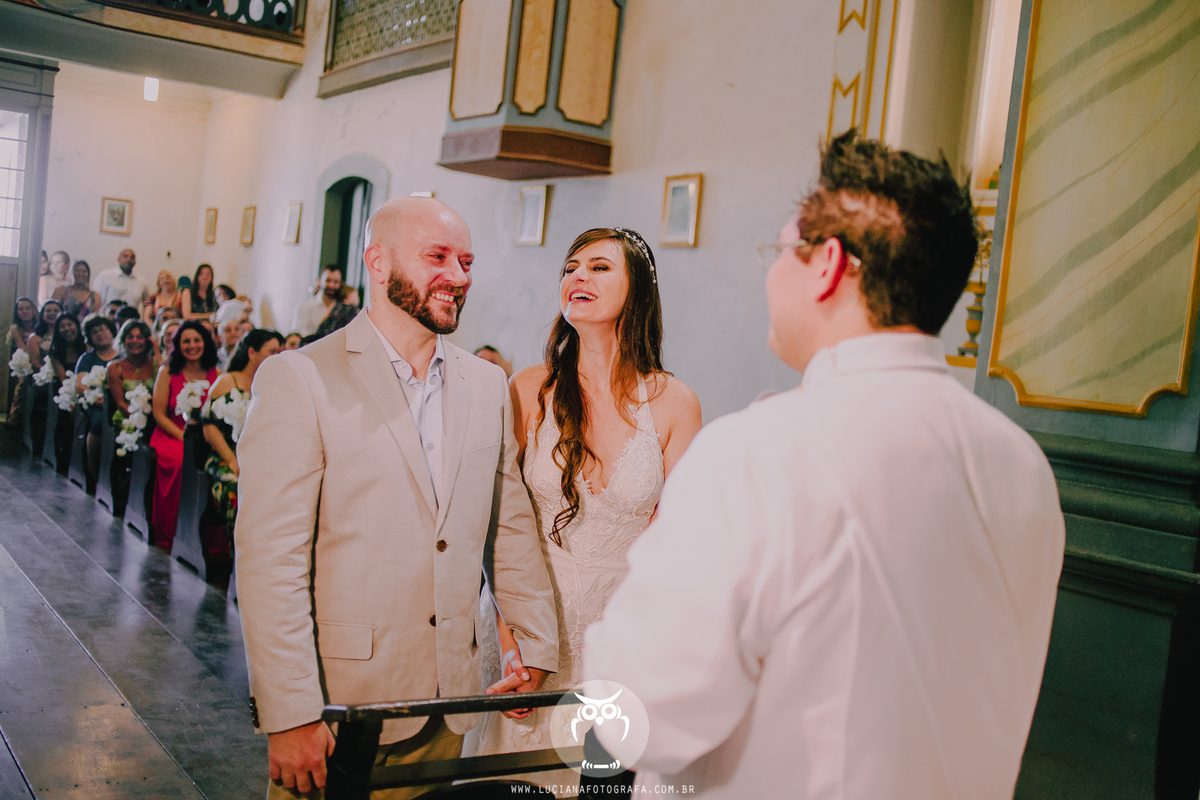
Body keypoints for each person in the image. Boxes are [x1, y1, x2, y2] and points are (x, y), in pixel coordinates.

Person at [584, 131, 1066, 799]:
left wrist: (607, 646)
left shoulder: (759, 451)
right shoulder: (1022, 465)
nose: (771, 271)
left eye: (781, 251)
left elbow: (640, 718)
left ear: (829, 265)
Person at [235, 197, 558, 798]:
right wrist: (290, 713)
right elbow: (269, 564)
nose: (458, 277)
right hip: (341, 710)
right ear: (377, 263)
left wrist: (535, 640)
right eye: (437, 257)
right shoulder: (301, 378)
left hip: (448, 702)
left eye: (466, 261)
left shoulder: (486, 384)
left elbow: (509, 525)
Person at [464, 228, 702, 792]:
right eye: (570, 268)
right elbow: (496, 528)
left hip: (618, 641)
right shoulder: (529, 390)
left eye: (598, 267)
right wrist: (511, 643)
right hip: (524, 631)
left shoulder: (674, 403)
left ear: (637, 290)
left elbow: (677, 551)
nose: (577, 277)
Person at [201, 329, 283, 573]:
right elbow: (209, 426)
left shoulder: (273, 386)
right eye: (272, 351)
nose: (277, 356)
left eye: (279, 352)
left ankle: (271, 560)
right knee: (235, 488)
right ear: (252, 352)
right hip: (225, 458)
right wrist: (232, 459)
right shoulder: (229, 381)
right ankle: (241, 558)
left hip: (260, 460)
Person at [148, 320, 219, 550]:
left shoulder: (215, 373)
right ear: (178, 345)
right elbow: (159, 414)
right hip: (171, 433)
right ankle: (172, 529)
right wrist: (183, 436)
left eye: (197, 340)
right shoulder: (167, 371)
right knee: (181, 462)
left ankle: (208, 535)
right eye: (185, 341)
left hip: (205, 435)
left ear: (205, 343)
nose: (192, 345)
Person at [74, 316, 119, 493]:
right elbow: (80, 384)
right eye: (94, 332)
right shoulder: (87, 358)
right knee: (100, 422)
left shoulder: (121, 354)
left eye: (103, 329)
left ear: (111, 330)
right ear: (90, 337)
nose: (100, 334)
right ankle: (95, 473)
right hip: (96, 404)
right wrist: (95, 397)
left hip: (119, 402)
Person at [108, 320, 156, 416]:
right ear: (123, 340)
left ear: (147, 340)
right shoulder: (115, 368)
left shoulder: (156, 363)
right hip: (128, 419)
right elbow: (120, 403)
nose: (134, 341)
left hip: (156, 417)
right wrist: (138, 421)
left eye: (139, 337)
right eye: (130, 337)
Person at [5, 297, 38, 432]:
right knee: (22, 381)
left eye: (27, 308)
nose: (24, 311)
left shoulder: (40, 326)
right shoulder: (16, 330)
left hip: (39, 360)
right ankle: (15, 415)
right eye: (20, 309)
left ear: (33, 310)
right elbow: (23, 350)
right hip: (24, 364)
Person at [290, 266, 344, 336]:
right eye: (328, 280)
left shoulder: (343, 309)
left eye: (336, 282)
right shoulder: (304, 307)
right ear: (319, 281)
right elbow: (299, 335)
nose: (331, 285)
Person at [25, 299, 62, 373]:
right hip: (43, 377)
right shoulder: (34, 338)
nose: (52, 313)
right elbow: (35, 364)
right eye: (48, 311)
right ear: (42, 315)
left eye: (56, 310)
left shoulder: (66, 335)